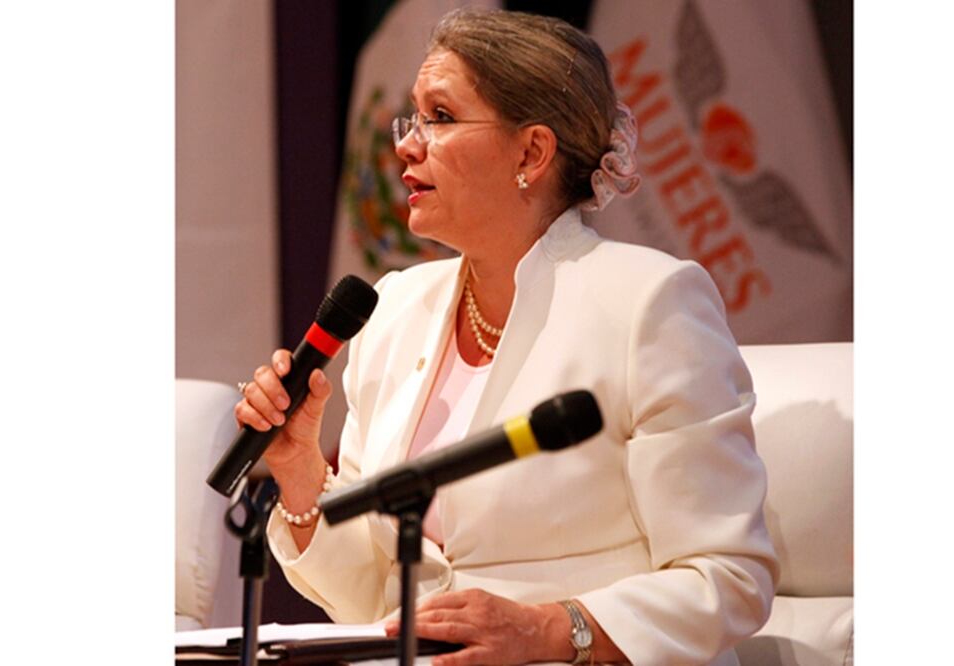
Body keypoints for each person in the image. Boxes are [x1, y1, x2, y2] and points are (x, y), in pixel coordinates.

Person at [236, 8, 778, 665]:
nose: (405, 144)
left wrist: (551, 630)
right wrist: (298, 476)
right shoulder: (396, 310)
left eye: (439, 117)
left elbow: (726, 577)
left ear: (531, 152)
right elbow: (374, 600)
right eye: (412, 117)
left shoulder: (649, 302)